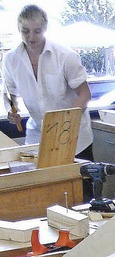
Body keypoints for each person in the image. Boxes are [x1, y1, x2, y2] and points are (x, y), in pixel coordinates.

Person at [2, 5, 94, 182]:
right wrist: (11, 110)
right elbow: (9, 94)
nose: (31, 37)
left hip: (74, 135)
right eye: (25, 31)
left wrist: (65, 120)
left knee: (83, 190)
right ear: (18, 29)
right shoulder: (11, 59)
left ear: (45, 28)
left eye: (37, 31)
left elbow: (85, 95)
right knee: (40, 186)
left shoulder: (66, 56)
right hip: (38, 132)